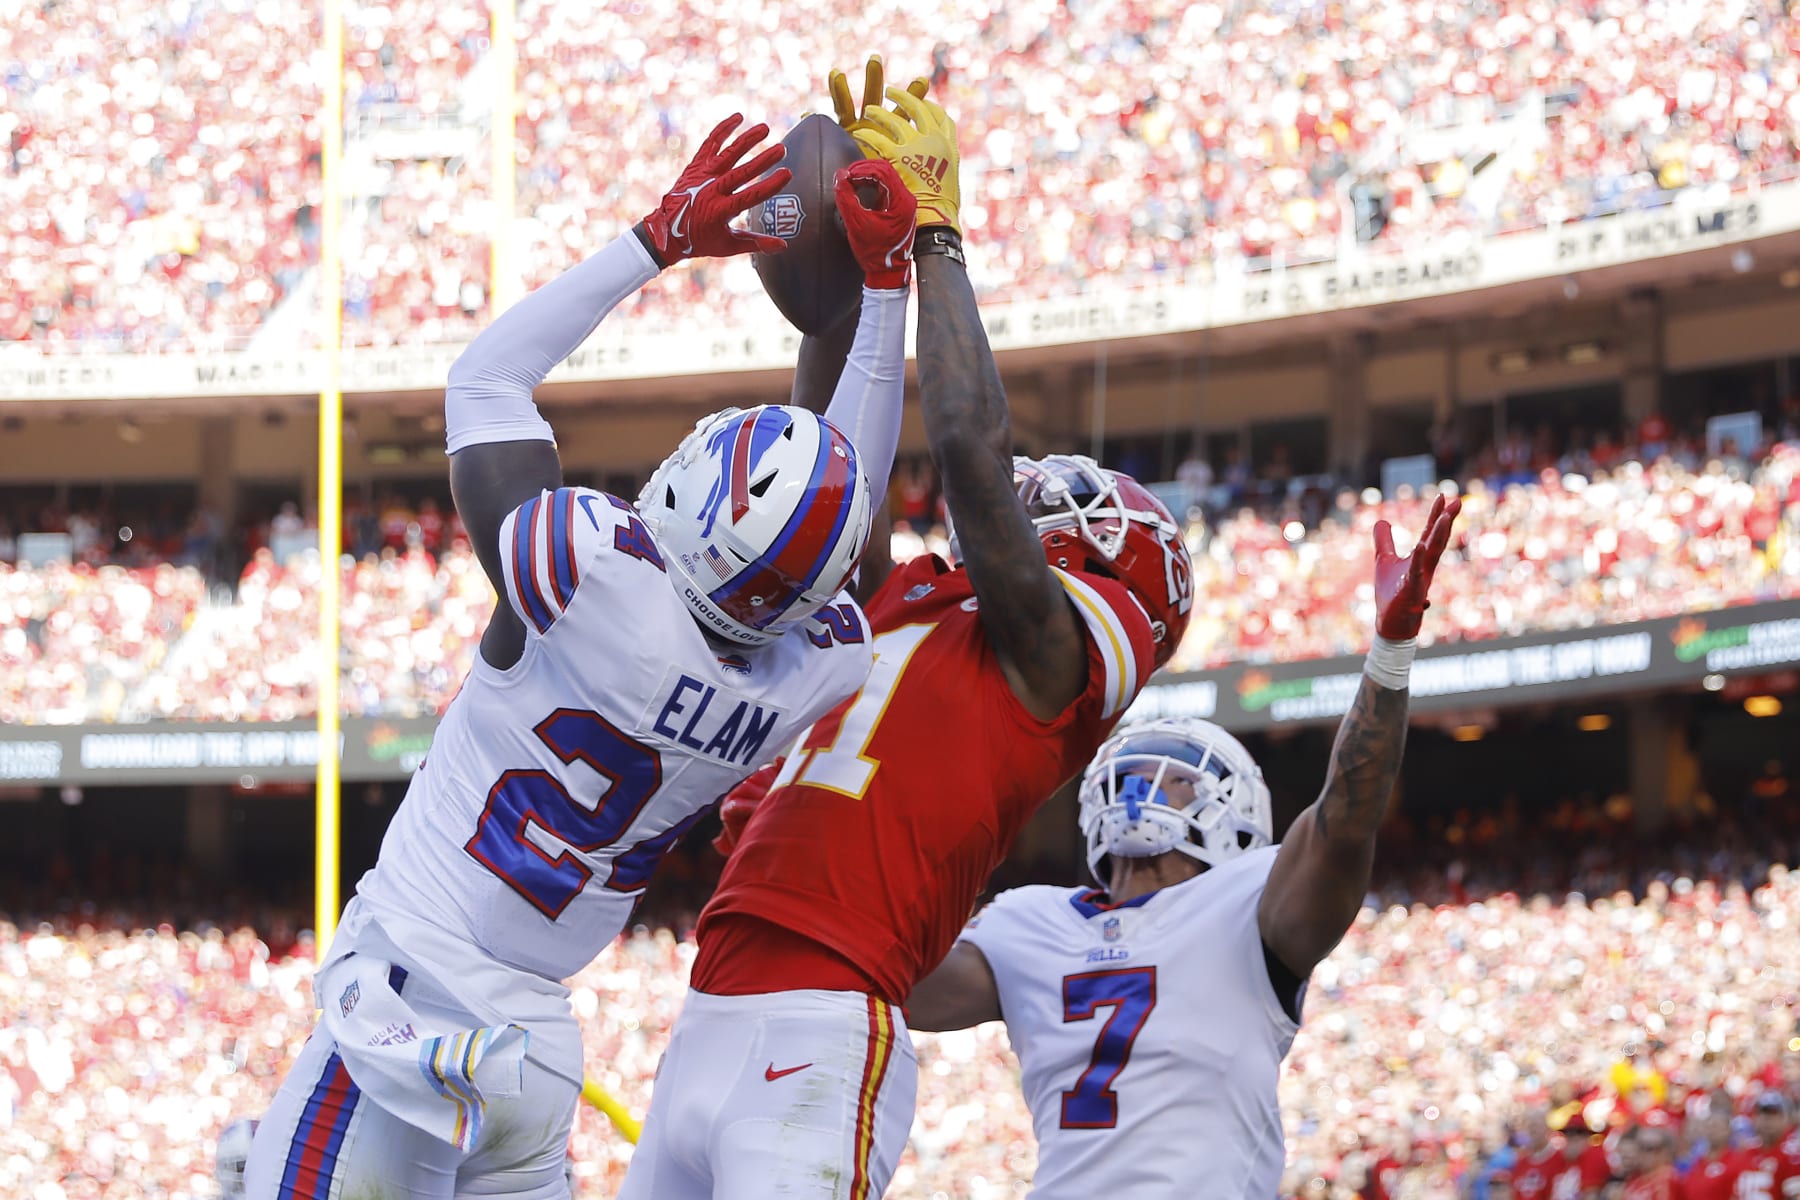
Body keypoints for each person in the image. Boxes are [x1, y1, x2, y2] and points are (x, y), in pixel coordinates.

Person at [245, 115, 922, 1200]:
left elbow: (484, 382)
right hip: (534, 1050)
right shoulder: (807, 672)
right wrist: (888, 297)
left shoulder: (589, 572)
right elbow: (842, 522)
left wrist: (654, 241)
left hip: (407, 1006)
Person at [615, 64, 1195, 1200]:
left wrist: (938, 242)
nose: (1045, 496)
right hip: (713, 1002)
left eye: (1075, 510)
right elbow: (831, 482)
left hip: (827, 1023)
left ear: (1111, 572)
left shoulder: (1052, 667)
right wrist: (856, 293)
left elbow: (974, 457)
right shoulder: (919, 605)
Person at [903, 491, 1461, 1198]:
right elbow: (900, 985)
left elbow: (1348, 813)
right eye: (1135, 770)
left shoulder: (1251, 905)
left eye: (1175, 777)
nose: (1147, 786)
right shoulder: (1028, 922)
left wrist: (1390, 653)